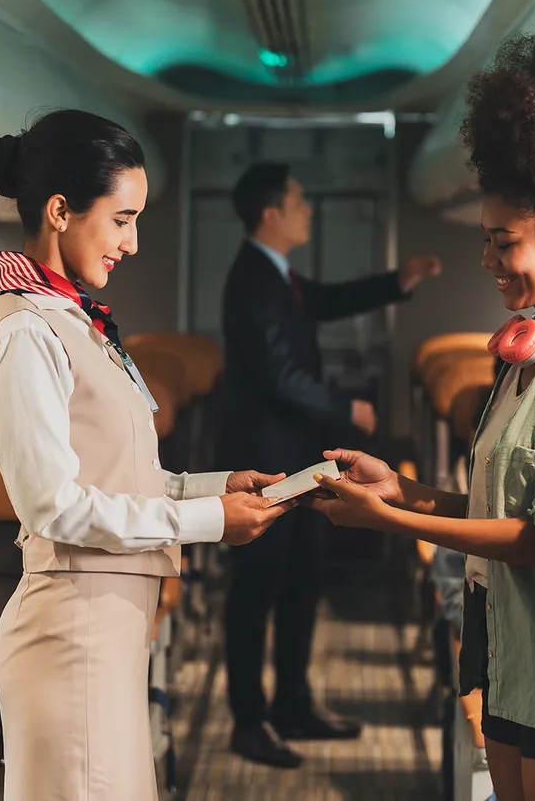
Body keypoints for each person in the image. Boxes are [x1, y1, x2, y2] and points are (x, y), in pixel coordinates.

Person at [308, 33, 535, 801]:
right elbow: (497, 508)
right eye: (485, 241)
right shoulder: (522, 356)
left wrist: (392, 523)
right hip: (506, 662)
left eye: (505, 243)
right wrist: (400, 489)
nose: (489, 260)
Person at [0, 110, 290, 801]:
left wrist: (217, 487)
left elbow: (122, 479)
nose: (134, 242)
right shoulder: (26, 333)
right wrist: (210, 522)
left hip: (107, 635)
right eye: (122, 219)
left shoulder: (72, 320)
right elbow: (53, 505)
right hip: (69, 642)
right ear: (61, 211)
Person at [217, 160, 442, 768]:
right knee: (256, 590)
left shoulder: (280, 276)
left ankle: (293, 704)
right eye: (298, 201)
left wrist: (400, 280)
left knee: (300, 582)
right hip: (265, 462)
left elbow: (330, 299)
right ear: (270, 213)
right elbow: (278, 376)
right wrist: (348, 407)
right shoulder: (251, 281)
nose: (307, 210)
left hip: (300, 459)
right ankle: (248, 721)